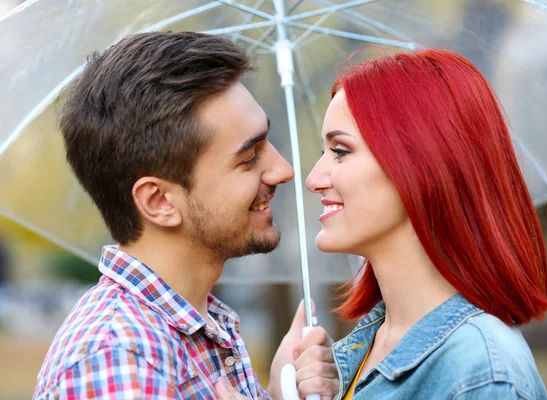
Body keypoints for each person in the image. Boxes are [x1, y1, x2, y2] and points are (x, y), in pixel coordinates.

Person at [34, 32, 338, 400]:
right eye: (248, 158)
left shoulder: (198, 323)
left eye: (266, 142)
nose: (284, 170)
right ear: (160, 200)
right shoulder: (120, 359)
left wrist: (277, 393)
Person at [302, 50, 547, 399]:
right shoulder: (356, 355)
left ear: (420, 162)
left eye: (341, 151)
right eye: (323, 152)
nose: (314, 179)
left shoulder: (482, 373)